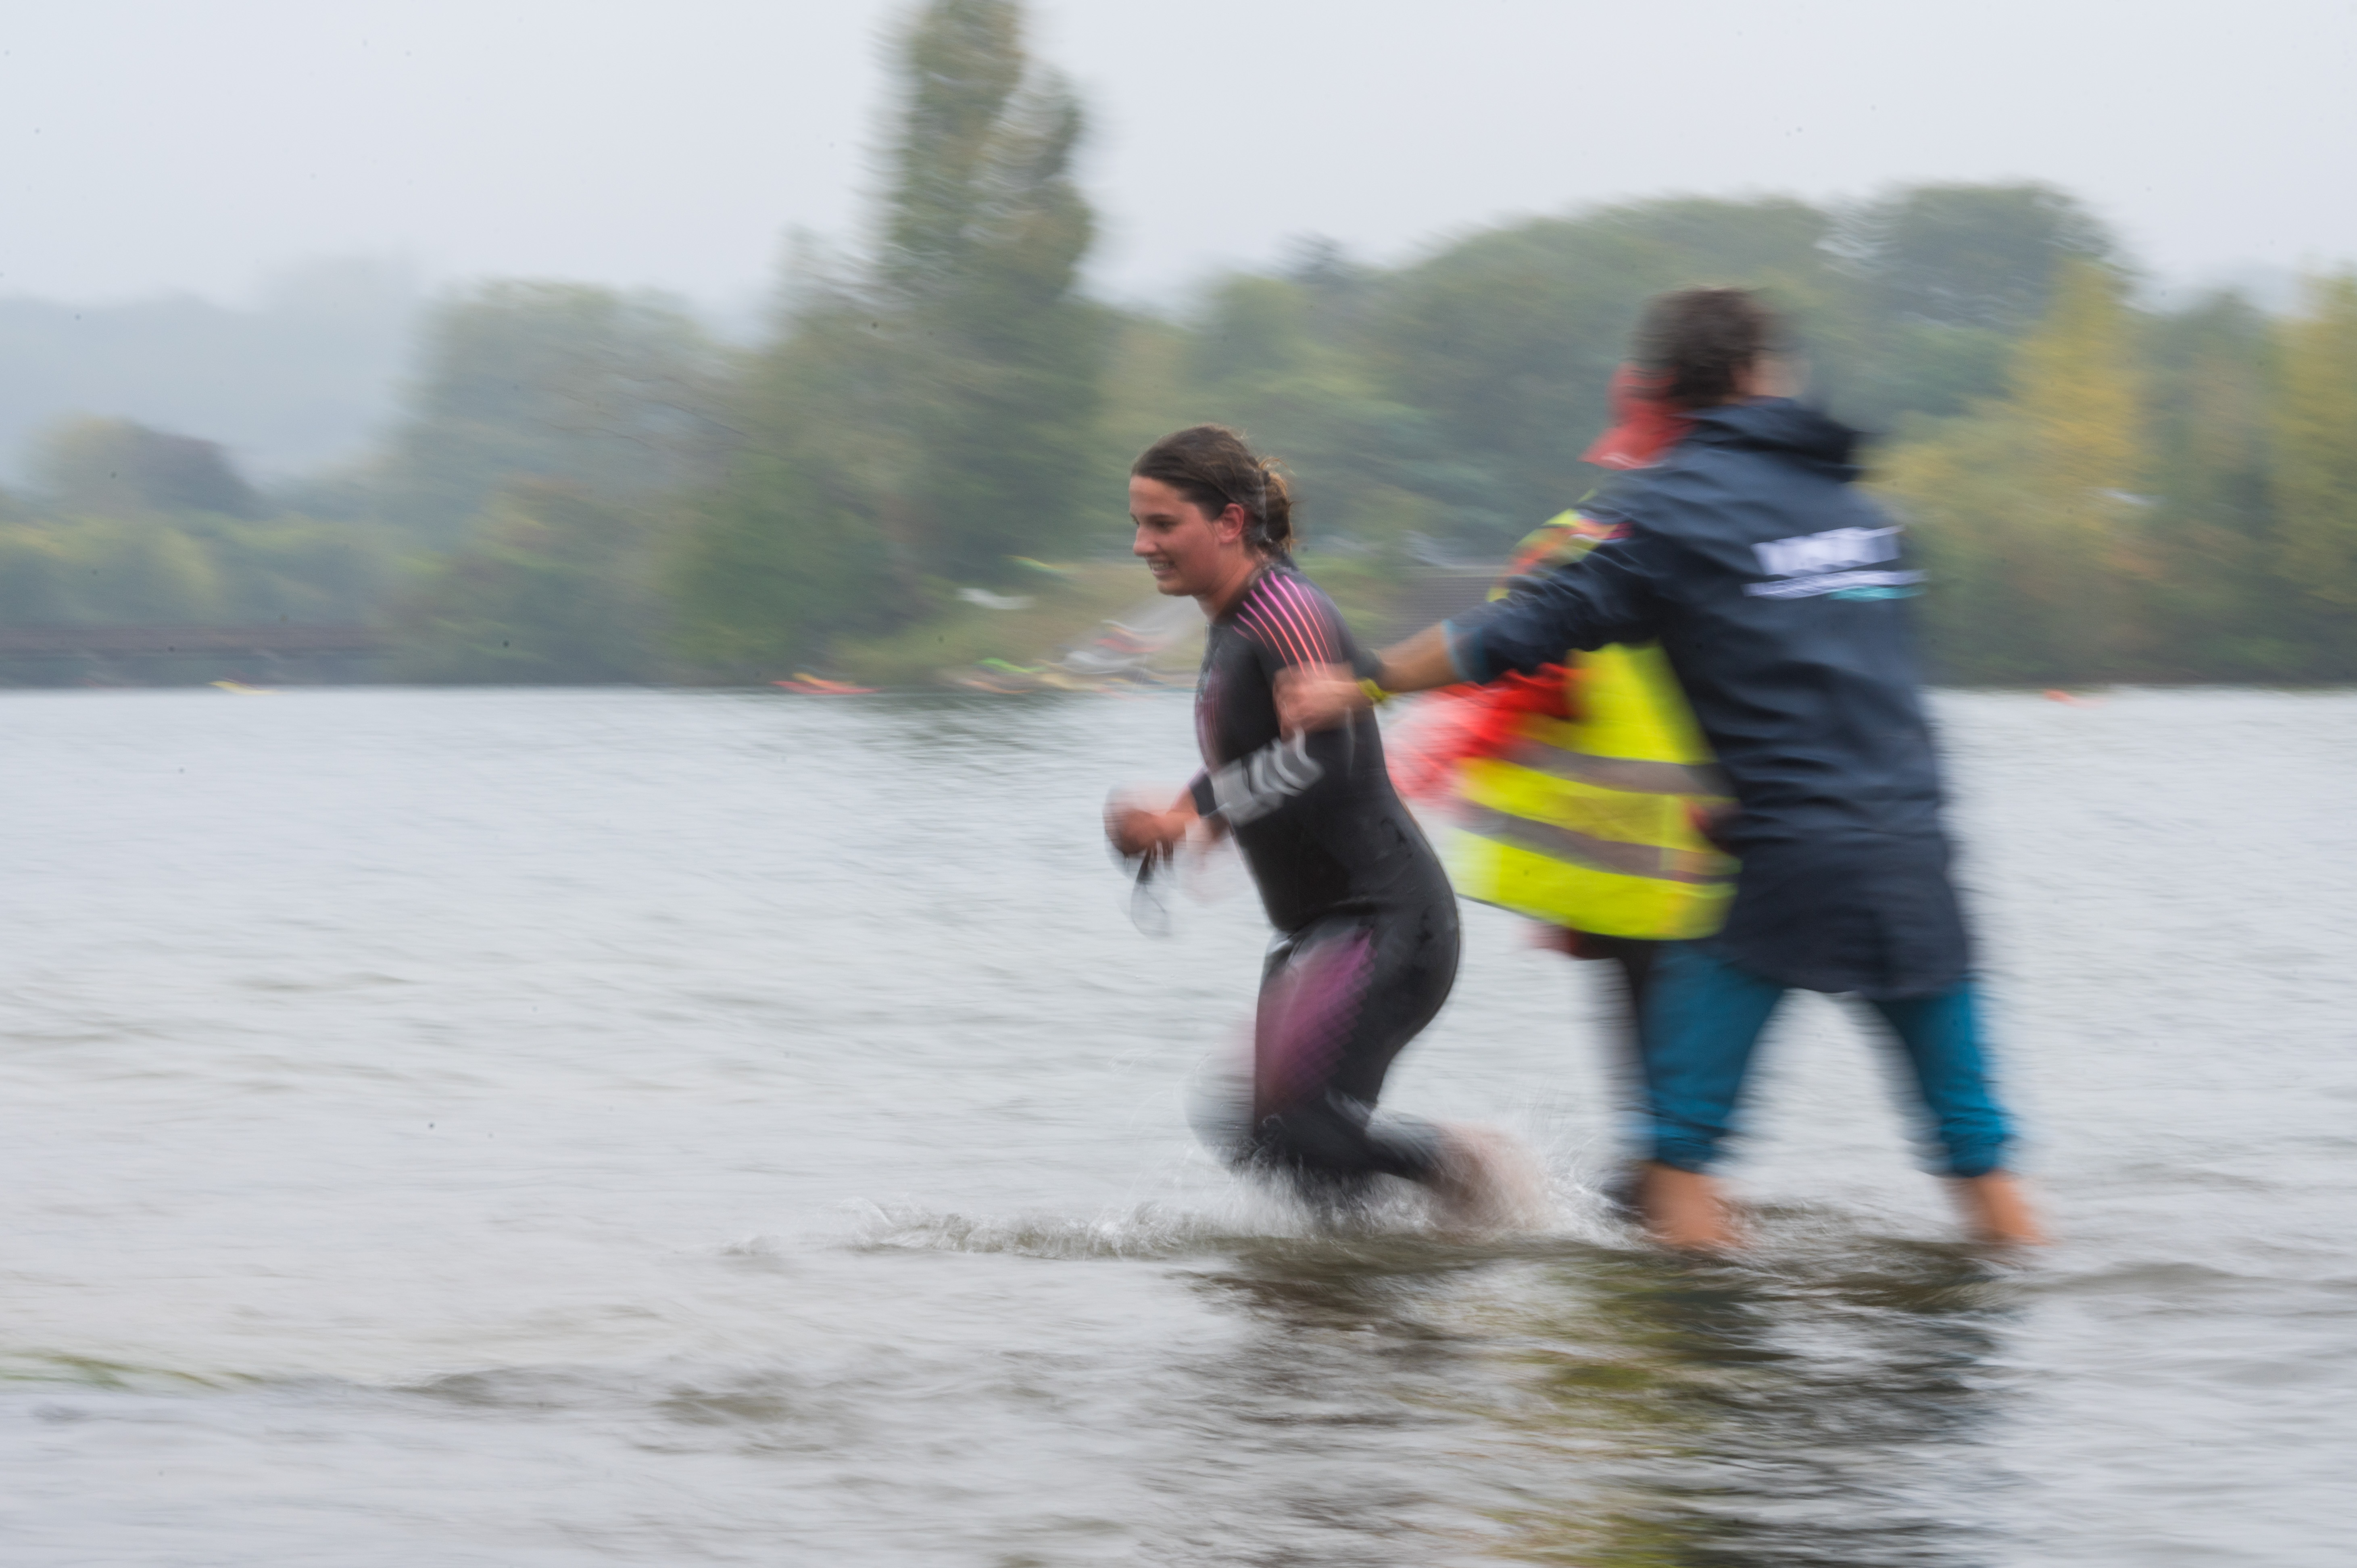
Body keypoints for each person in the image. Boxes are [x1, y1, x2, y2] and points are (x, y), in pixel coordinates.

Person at [1279, 290, 2045, 1250]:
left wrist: (1368, 679)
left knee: (1677, 1159)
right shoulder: (1864, 516)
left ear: (1670, 387)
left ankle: (1703, 1335)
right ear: (1765, 376)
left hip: (1786, 869)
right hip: (1916, 855)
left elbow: (1519, 631)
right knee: (1975, 1146)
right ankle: (2026, 1324)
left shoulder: (1672, 516)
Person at [1105, 424, 1530, 1227]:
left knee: (1297, 1127)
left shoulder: (1286, 610)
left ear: (1230, 523)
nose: (1142, 545)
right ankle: (1373, 1283)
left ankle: (1464, 1167)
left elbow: (1325, 759)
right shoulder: (1233, 622)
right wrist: (1181, 818)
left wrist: (1194, 815)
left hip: (1384, 921)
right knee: (1274, 1145)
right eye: (1138, 524)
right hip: (1317, 931)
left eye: (1162, 524)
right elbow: (1261, 761)